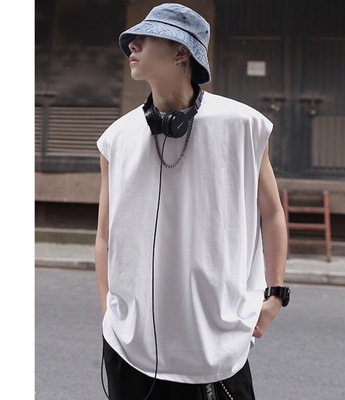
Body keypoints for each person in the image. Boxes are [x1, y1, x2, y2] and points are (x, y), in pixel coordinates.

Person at [95, 3, 289, 399]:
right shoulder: (116, 138)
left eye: (145, 37)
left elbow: (271, 212)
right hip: (128, 348)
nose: (131, 45)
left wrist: (275, 294)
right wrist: (108, 313)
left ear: (181, 52)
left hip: (217, 351)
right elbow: (104, 237)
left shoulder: (243, 126)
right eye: (132, 39)